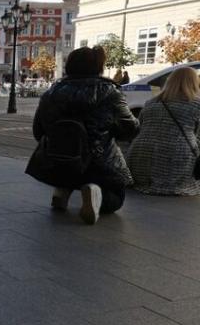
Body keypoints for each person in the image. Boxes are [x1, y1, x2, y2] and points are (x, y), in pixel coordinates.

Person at [25, 46, 139, 225]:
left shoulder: (50, 93)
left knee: (69, 171)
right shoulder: (111, 92)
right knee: (115, 200)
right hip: (100, 162)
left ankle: (63, 189)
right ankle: (94, 191)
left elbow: (38, 132)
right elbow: (129, 128)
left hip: (58, 161)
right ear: (98, 67)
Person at [127, 67, 200, 195]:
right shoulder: (196, 104)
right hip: (176, 158)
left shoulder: (150, 103)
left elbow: (140, 127)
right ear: (194, 82)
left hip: (140, 156)